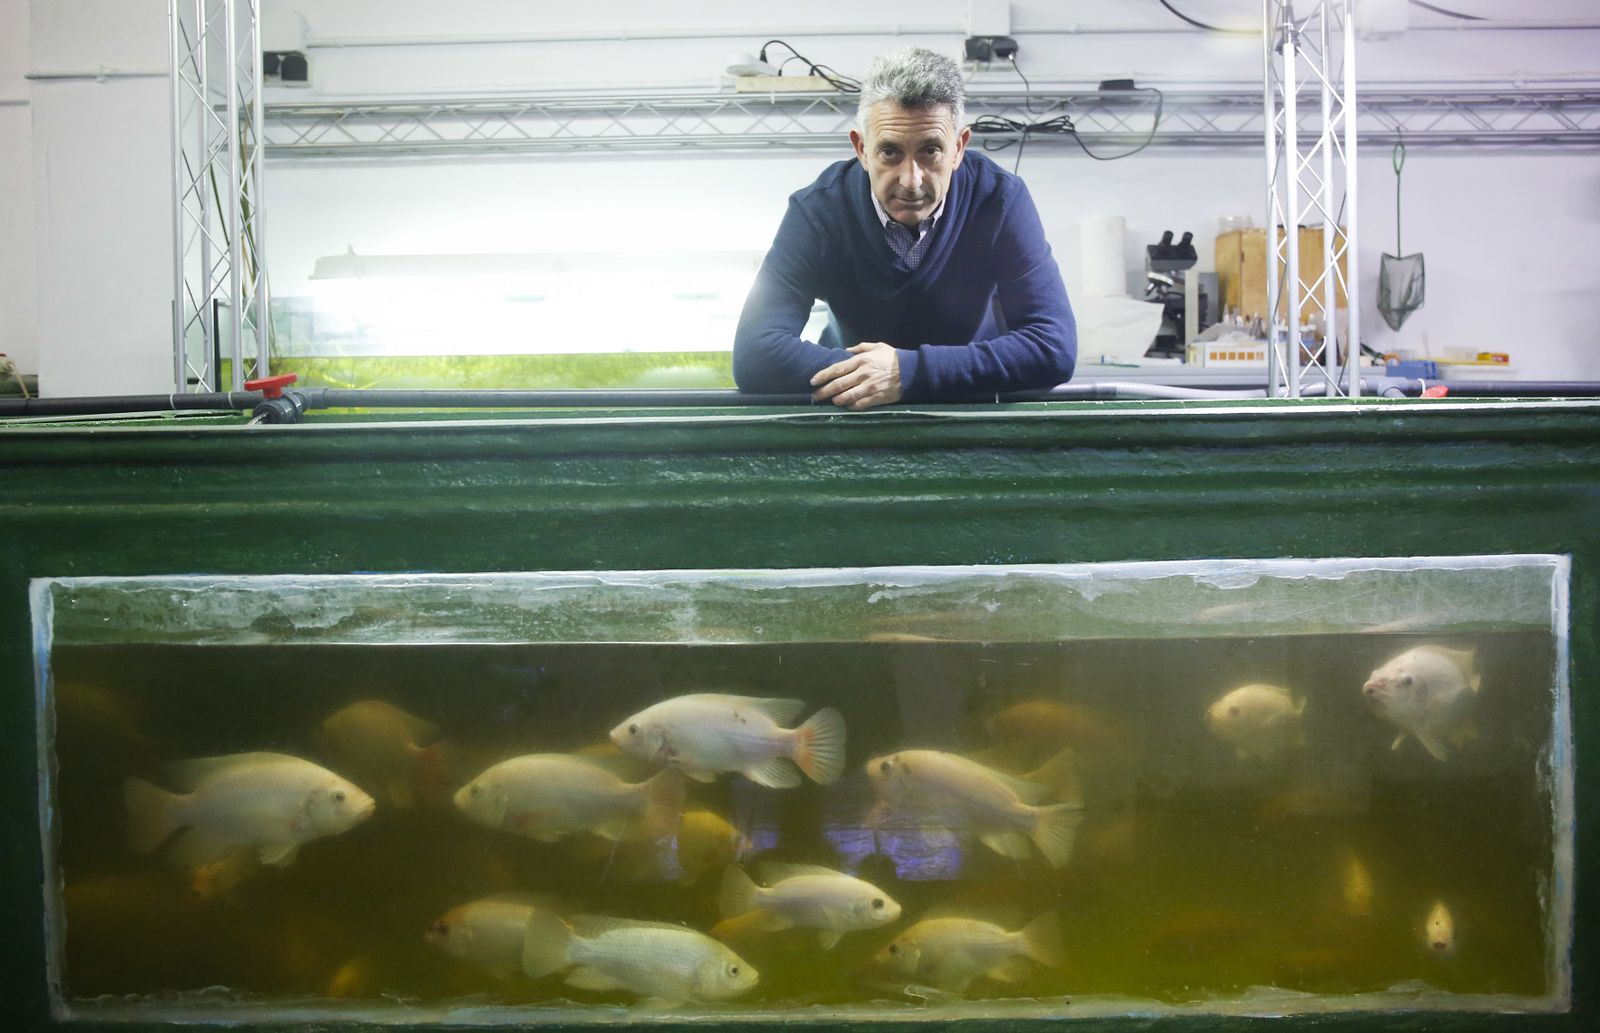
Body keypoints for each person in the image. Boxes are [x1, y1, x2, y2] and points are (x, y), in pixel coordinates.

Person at [733, 46, 1076, 410]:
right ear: (861, 149)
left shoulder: (999, 200)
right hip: (854, 412)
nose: (911, 181)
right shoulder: (818, 211)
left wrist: (907, 373)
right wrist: (878, 376)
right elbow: (755, 352)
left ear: (959, 148)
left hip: (968, 409)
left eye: (930, 151)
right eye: (890, 152)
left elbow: (1053, 345)